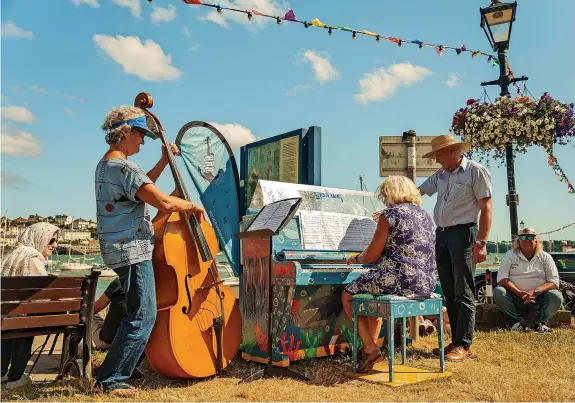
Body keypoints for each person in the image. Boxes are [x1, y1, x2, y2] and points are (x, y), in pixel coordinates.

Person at [94, 106, 204, 397]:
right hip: (132, 248)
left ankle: (126, 366)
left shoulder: (107, 166)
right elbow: (164, 203)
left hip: (117, 248)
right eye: (141, 135)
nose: (142, 142)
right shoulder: (124, 168)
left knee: (138, 311)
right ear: (126, 132)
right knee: (143, 314)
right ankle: (111, 378)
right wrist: (190, 205)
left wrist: (164, 162)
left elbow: (142, 186)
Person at [341, 175, 437, 372]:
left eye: (384, 194)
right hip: (426, 282)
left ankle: (369, 347)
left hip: (399, 279)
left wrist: (356, 258)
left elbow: (371, 255)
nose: (384, 199)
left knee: (348, 294)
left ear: (391, 193)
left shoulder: (390, 214)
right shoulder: (425, 215)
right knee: (368, 293)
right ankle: (370, 345)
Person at [419, 134, 493, 362]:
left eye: (439, 154)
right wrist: (394, 202)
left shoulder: (475, 170)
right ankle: (455, 341)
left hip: (463, 234)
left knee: (464, 290)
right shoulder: (441, 174)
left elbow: (487, 207)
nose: (437, 160)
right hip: (441, 235)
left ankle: (464, 344)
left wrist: (481, 242)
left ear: (453, 151)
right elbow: (417, 193)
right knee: (449, 291)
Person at [1, 223, 60, 389]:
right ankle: (16, 378)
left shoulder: (9, 255)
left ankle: (1, 373)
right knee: (27, 320)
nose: (55, 245)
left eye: (56, 241)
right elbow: (43, 295)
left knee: (10, 326)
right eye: (52, 240)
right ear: (39, 237)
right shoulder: (33, 258)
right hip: (23, 319)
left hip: (3, 317)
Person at [493, 228, 563, 334]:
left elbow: (554, 282)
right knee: (499, 292)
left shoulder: (545, 257)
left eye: (530, 237)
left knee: (556, 296)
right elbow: (502, 279)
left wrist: (536, 291)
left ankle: (540, 324)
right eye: (523, 237)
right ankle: (517, 323)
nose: (526, 240)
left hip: (539, 298)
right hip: (515, 297)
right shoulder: (510, 255)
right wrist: (519, 292)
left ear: (536, 240)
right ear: (518, 241)